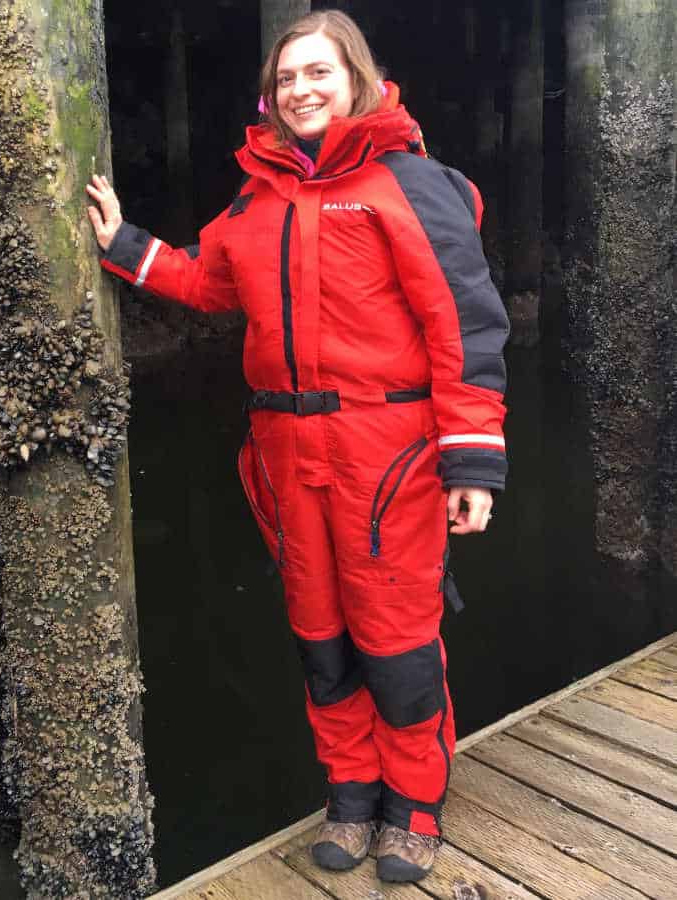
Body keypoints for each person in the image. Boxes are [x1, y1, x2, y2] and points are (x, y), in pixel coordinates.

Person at [86, 9, 508, 886]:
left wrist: (472, 460)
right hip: (285, 455)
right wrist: (125, 244)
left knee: (396, 637)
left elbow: (463, 324)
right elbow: (209, 280)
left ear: (355, 77)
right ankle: (351, 792)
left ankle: (415, 803)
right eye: (286, 79)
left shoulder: (408, 182)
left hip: (387, 452)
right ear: (271, 98)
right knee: (321, 636)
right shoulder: (259, 193)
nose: (302, 90)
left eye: (318, 73)